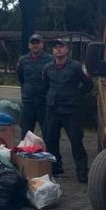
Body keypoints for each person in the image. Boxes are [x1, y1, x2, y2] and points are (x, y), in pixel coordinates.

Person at [41, 37, 93, 183]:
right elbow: (45, 86)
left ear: (67, 50)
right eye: (55, 47)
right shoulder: (48, 68)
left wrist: (76, 95)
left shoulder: (75, 67)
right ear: (52, 51)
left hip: (71, 110)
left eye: (61, 47)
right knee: (51, 140)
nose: (58, 49)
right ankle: (55, 168)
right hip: (53, 109)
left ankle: (82, 171)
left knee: (76, 141)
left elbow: (88, 84)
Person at [16, 33, 54, 138]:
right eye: (33, 43)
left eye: (37, 43)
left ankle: (49, 154)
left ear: (42, 44)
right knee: (25, 134)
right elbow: (21, 78)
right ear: (29, 45)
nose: (35, 45)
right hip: (28, 103)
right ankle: (25, 154)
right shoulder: (23, 60)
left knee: (48, 134)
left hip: (44, 103)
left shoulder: (50, 60)